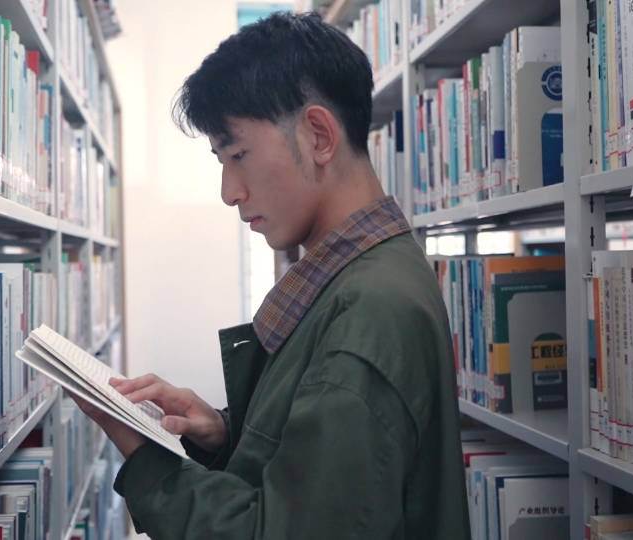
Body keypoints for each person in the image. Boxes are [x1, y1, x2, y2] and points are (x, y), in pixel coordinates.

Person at [72, 12, 470, 539]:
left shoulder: (371, 313)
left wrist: (144, 455)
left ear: (319, 136)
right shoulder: (359, 275)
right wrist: (226, 435)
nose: (229, 191)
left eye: (238, 154)